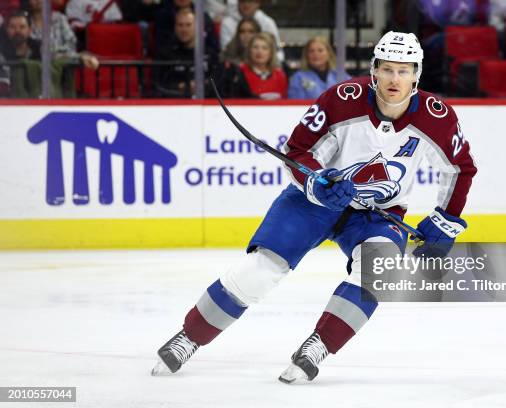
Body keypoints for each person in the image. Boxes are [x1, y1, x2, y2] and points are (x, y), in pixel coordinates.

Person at [151, 31, 477, 383]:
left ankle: (318, 345)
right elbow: (297, 152)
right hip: (315, 201)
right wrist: (318, 182)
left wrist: (445, 221)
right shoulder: (341, 99)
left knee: (376, 272)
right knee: (262, 269)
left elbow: (460, 168)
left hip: (376, 214)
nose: (394, 79)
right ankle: (190, 337)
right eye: (387, 69)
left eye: (403, 70)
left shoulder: (437, 117)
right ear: (374, 71)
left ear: (417, 74)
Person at [156, 7, 250, 98]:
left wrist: (203, 86)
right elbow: (158, 85)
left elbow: (218, 84)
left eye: (188, 25)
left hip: (209, 105)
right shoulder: (165, 55)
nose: (184, 29)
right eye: (180, 25)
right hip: (174, 105)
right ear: (175, 28)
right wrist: (182, 87)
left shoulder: (211, 55)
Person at [28, 0, 99, 68]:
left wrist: (55, 54)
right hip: (35, 68)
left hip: (63, 67)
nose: (38, 0)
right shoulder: (24, 23)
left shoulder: (60, 18)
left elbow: (71, 44)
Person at [239, 32, 287, 99]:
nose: (259, 51)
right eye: (255, 47)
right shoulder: (240, 72)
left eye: (264, 48)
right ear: (249, 50)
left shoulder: (280, 75)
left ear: (271, 53)